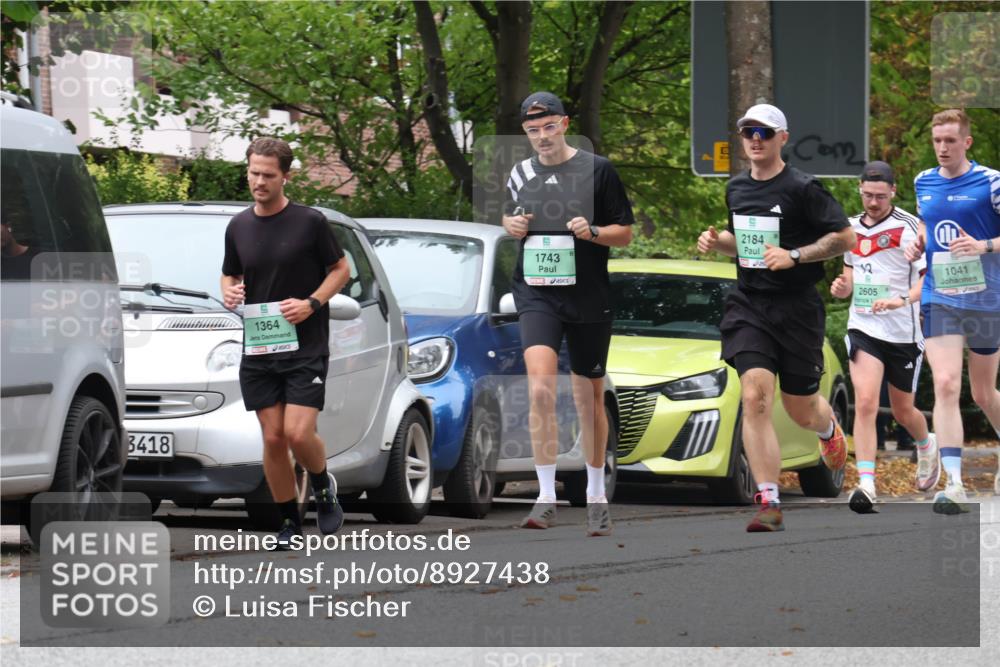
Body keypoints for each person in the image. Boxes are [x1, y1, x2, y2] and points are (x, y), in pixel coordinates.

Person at [697, 103, 856, 532]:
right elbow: (745, 246)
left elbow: (845, 238)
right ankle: (768, 499)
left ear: (782, 138)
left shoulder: (804, 188)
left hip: (797, 307)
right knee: (755, 396)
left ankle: (827, 429)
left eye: (764, 133)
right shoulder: (737, 189)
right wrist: (718, 243)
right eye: (748, 131)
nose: (755, 139)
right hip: (749, 304)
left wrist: (796, 255)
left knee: (800, 408)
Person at [501, 92, 634, 536]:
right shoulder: (519, 172)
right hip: (537, 292)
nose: (541, 137)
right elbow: (511, 218)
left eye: (548, 127)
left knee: (588, 398)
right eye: (532, 130)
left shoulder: (598, 169)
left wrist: (594, 231)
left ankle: (596, 493)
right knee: (539, 387)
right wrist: (512, 226)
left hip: (588, 295)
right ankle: (545, 496)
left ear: (564, 124)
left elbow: (625, 234)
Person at [221, 137, 351, 549]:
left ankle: (321, 482)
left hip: (304, 345)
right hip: (259, 346)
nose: (259, 181)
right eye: (253, 173)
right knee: (273, 438)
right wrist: (229, 292)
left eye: (268, 175)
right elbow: (230, 274)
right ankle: (288, 524)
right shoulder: (238, 225)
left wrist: (313, 303)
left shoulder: (309, 222)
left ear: (286, 176)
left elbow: (340, 268)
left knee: (297, 434)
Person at [905, 109, 1000, 513]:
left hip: (986, 298)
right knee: (945, 384)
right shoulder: (923, 181)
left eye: (949, 140)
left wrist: (984, 246)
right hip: (940, 296)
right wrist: (918, 243)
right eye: (937, 141)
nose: (942, 148)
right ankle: (955, 483)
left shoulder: (991, 183)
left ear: (967, 142)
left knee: (982, 392)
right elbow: (930, 226)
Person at [829, 160, 932, 514]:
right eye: (867, 195)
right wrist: (843, 287)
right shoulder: (850, 229)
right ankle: (867, 484)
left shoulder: (908, 227)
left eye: (879, 195)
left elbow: (926, 281)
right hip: (864, 327)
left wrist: (900, 300)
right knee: (868, 402)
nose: (873, 202)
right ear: (860, 190)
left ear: (892, 191)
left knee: (904, 410)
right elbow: (848, 277)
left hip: (903, 331)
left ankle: (925, 442)